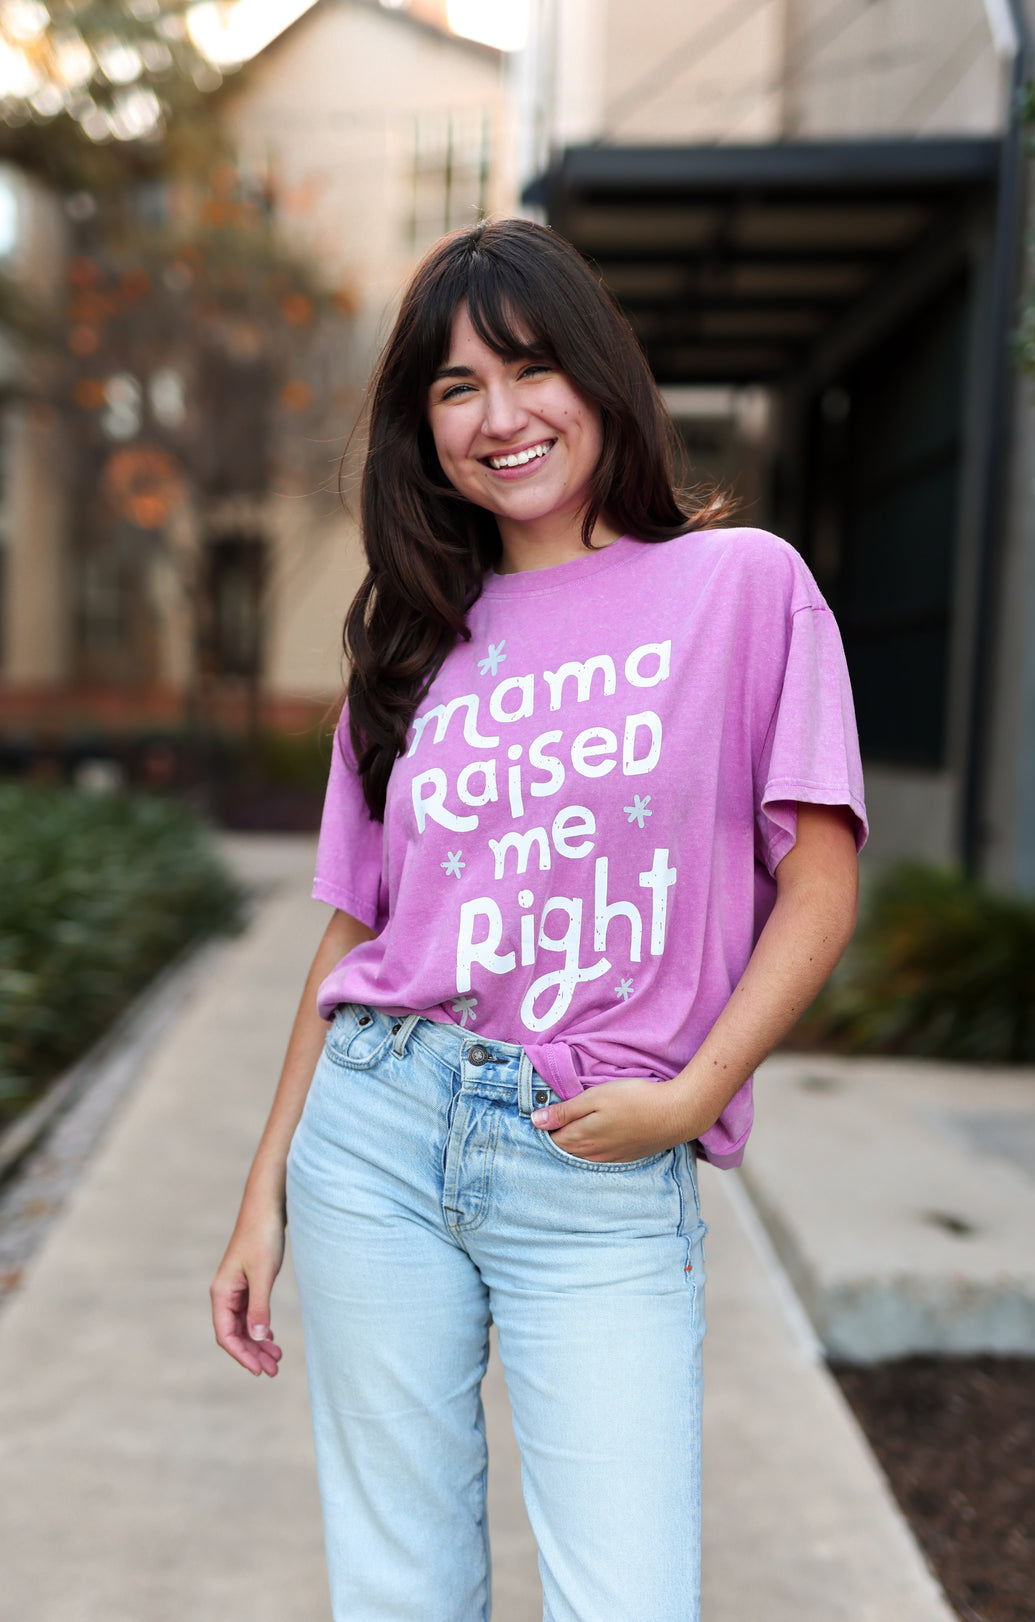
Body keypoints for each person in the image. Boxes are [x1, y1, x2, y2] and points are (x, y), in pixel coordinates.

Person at [211, 217, 867, 1622]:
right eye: (456, 389)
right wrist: (264, 1187)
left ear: (598, 376)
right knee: (400, 1593)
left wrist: (691, 1094)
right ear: (422, 427)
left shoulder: (742, 587)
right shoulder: (407, 639)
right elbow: (352, 939)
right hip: (376, 1138)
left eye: (529, 368)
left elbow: (818, 883)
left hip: (601, 1155)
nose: (500, 417)